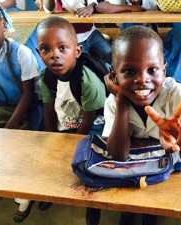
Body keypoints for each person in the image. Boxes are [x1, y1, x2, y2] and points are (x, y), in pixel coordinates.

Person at [103, 25, 181, 225]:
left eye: (152, 70)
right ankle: (127, 211)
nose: (142, 79)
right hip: (132, 167)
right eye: (129, 71)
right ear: (113, 75)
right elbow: (118, 154)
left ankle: (149, 212)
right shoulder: (113, 102)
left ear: (164, 69)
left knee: (154, 196)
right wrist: (120, 101)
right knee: (128, 196)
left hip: (164, 169)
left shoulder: (174, 92)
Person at [36, 16, 107, 225]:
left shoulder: (86, 78)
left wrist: (70, 145)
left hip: (92, 130)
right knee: (48, 159)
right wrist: (53, 139)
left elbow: (89, 119)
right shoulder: (47, 76)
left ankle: (92, 205)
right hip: (66, 128)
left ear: (77, 51)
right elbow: (48, 109)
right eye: (45, 49)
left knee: (88, 169)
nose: (54, 56)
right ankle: (52, 192)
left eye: (62, 48)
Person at [0, 3, 45, 223]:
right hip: (1, 109)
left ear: (4, 23)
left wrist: (9, 130)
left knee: (21, 153)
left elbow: (28, 96)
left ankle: (23, 198)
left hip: (25, 109)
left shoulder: (20, 52)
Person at [36, 0, 112, 69]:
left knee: (108, 51)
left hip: (91, 32)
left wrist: (90, 7)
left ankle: (106, 76)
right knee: (84, 65)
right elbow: (49, 10)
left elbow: (93, 2)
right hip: (73, 37)